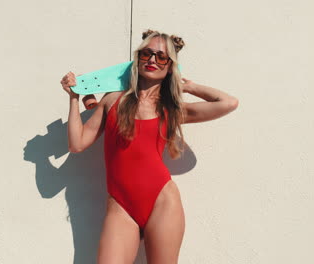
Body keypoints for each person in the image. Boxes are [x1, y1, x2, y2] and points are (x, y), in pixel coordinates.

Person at [60, 29, 239, 264]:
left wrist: (188, 86)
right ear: (138, 58)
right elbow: (77, 144)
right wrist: (74, 97)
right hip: (120, 206)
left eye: (161, 57)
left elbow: (228, 103)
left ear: (170, 66)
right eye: (147, 53)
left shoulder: (171, 108)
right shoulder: (113, 99)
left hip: (162, 202)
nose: (152, 60)